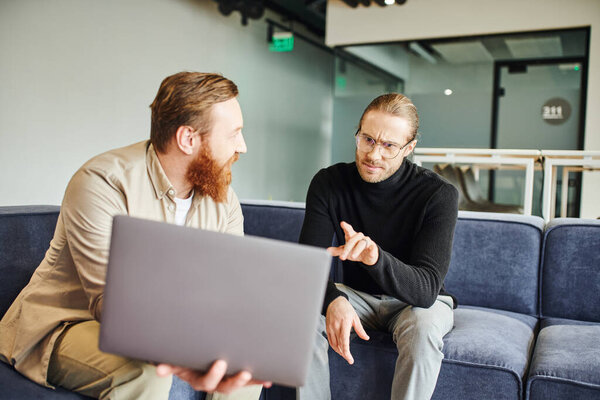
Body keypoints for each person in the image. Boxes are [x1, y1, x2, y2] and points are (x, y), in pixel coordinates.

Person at [0, 72, 267, 400]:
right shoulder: (101, 182)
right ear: (188, 139)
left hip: (171, 324)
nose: (243, 146)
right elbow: (108, 302)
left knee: (248, 369)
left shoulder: (223, 198)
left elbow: (228, 287)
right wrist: (187, 351)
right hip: (67, 323)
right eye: (234, 134)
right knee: (145, 373)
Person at [299, 93, 459, 400]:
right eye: (367, 139)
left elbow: (426, 290)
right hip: (357, 296)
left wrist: (375, 258)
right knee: (301, 315)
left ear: (409, 148)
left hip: (416, 302)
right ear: (357, 134)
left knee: (422, 330)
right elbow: (307, 266)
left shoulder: (438, 194)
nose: (374, 154)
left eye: (389, 145)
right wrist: (332, 299)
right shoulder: (328, 183)